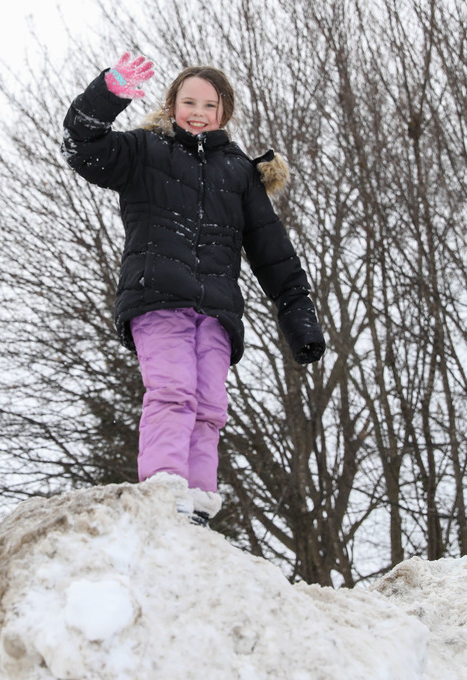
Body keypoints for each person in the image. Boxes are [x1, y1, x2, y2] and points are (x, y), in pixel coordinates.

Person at [61, 52, 325, 526]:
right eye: (189, 102)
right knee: (173, 391)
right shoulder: (145, 151)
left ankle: (198, 505)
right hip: (158, 298)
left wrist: (299, 317)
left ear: (224, 112)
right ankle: (164, 489)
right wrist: (107, 94)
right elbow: (82, 147)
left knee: (209, 407)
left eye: (209, 105)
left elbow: (273, 252)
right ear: (172, 105)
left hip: (217, 313)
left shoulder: (239, 173)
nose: (198, 113)